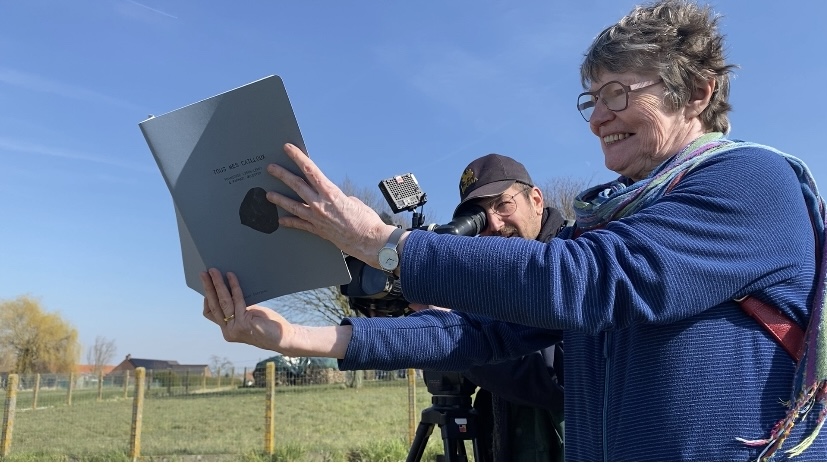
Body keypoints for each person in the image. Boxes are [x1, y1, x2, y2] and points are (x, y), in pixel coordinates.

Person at [201, 0, 827, 460]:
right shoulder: (617, 215)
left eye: (617, 93)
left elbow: (591, 281)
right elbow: (475, 333)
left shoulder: (753, 180)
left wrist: (384, 242)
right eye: (591, 100)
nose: (599, 118)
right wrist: (292, 336)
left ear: (696, 92)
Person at [444, 153, 566, 461]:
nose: (495, 224)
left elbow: (557, 379)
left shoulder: (576, 258)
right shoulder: (492, 281)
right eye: (479, 218)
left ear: (536, 200)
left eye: (503, 205)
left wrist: (455, 335)